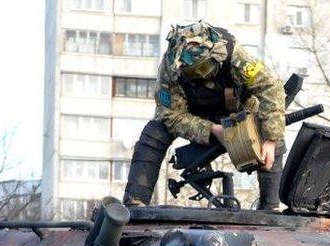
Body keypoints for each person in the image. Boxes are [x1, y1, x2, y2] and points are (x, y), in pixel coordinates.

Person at [122, 21, 286, 209]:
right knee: (154, 132)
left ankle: (270, 205)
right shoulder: (171, 68)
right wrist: (213, 130)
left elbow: (270, 87)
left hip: (238, 112)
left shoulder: (234, 55)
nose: (200, 75)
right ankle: (135, 201)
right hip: (195, 117)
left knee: (270, 128)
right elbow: (168, 114)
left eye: (203, 68)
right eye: (194, 72)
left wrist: (270, 140)